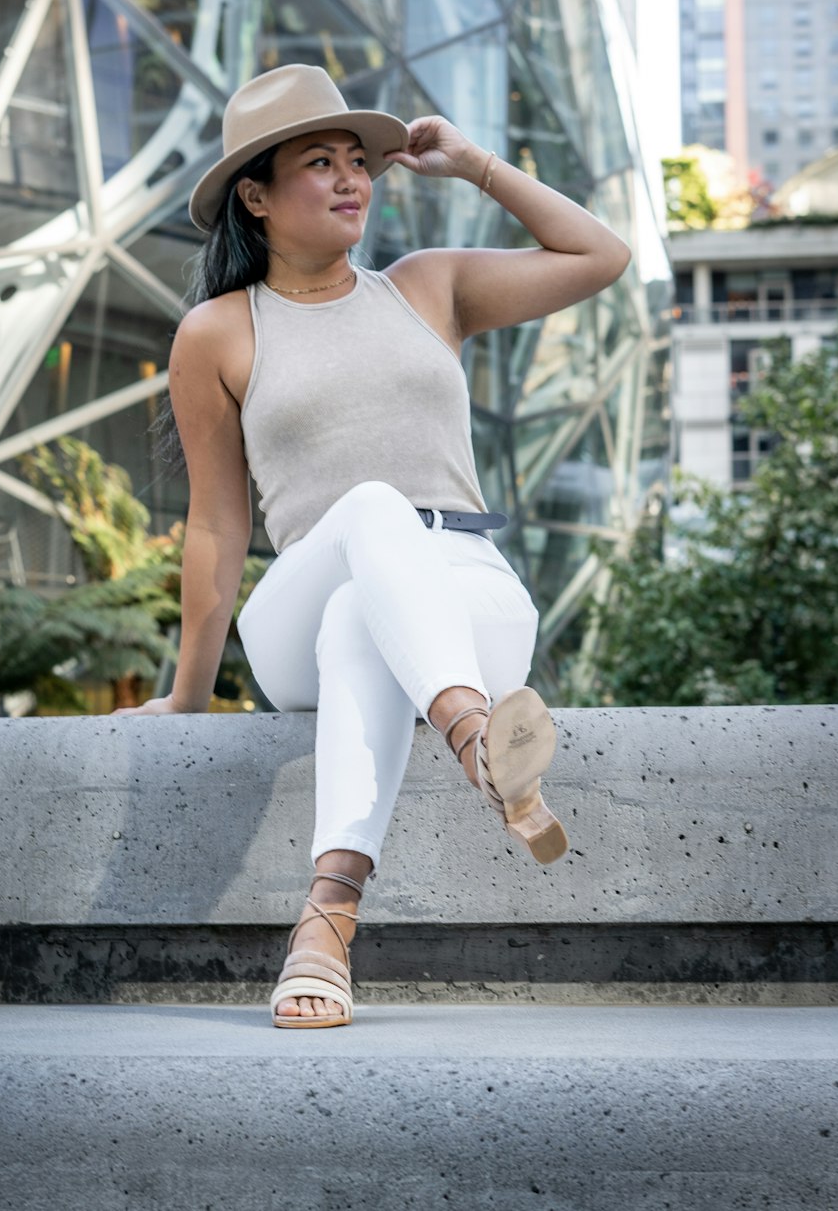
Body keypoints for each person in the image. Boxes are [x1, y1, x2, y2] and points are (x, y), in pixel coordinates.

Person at [113, 63, 631, 1028]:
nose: (353, 177)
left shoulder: (429, 288)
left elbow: (600, 256)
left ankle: (328, 922)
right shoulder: (219, 332)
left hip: (464, 587)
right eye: (322, 162)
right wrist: (188, 694)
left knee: (371, 611)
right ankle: (480, 743)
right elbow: (221, 525)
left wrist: (476, 165)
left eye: (361, 160)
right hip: (300, 604)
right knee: (367, 523)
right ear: (256, 197)